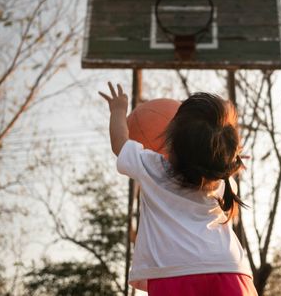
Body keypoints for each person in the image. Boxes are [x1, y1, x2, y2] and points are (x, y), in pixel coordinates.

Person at [99, 82, 258, 296]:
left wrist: (117, 111)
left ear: (170, 143)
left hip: (176, 272)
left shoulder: (153, 168)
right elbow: (220, 165)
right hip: (230, 269)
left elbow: (119, 143)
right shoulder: (221, 181)